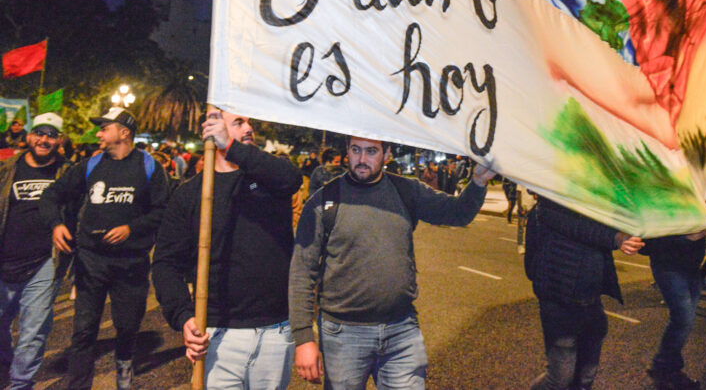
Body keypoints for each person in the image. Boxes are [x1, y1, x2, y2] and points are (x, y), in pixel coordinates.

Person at [288, 135, 494, 389]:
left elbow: (458, 213)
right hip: (343, 335)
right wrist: (304, 338)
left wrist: (478, 182)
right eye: (356, 150)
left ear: (387, 155)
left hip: (402, 330)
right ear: (347, 153)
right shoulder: (323, 201)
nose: (362, 159)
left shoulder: (408, 191)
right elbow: (301, 272)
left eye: (371, 151)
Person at [152, 110, 302, 389]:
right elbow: (165, 264)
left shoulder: (270, 180)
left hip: (274, 329)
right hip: (217, 335)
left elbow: (291, 178)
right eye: (238, 123)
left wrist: (231, 147)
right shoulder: (189, 194)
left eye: (249, 122)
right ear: (211, 130)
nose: (249, 128)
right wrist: (183, 316)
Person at [38, 107, 169, 390]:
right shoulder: (91, 165)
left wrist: (131, 229)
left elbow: (163, 210)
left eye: (104, 128)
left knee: (127, 327)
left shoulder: (149, 167)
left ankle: (124, 378)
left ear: (123, 133)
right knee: (83, 330)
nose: (98, 133)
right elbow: (52, 194)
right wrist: (56, 224)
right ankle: (78, 384)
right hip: (91, 261)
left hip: (131, 264)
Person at [523, 195, 643, 390]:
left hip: (591, 300)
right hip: (558, 299)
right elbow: (578, 226)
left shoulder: (597, 198)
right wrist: (616, 238)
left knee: (585, 380)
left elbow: (623, 227)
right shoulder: (550, 199)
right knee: (559, 379)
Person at [0, 113, 69, 389]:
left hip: (44, 262)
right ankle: (5, 361)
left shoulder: (68, 173)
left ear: (59, 140)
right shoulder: (7, 169)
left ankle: (20, 384)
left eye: (51, 135)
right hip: (5, 259)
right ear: (29, 136)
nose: (44, 139)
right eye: (39, 133)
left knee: (33, 331)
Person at [643, 231, 706, 390]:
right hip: (669, 267)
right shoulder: (659, 207)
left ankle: (668, 368)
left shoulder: (694, 205)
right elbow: (646, 245)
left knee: (686, 320)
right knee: (682, 319)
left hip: (692, 266)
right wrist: (685, 239)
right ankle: (663, 368)